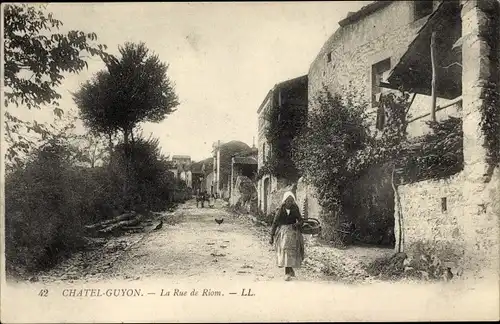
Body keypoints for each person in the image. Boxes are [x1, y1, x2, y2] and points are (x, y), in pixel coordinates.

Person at [269, 191, 305, 281]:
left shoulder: (295, 209)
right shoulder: (280, 210)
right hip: (283, 233)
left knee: (292, 252)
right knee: (285, 251)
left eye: (291, 201)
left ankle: (290, 269)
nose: (289, 202)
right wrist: (271, 236)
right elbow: (275, 223)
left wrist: (297, 225)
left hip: (293, 233)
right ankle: (287, 272)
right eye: (288, 201)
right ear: (284, 201)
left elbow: (301, 220)